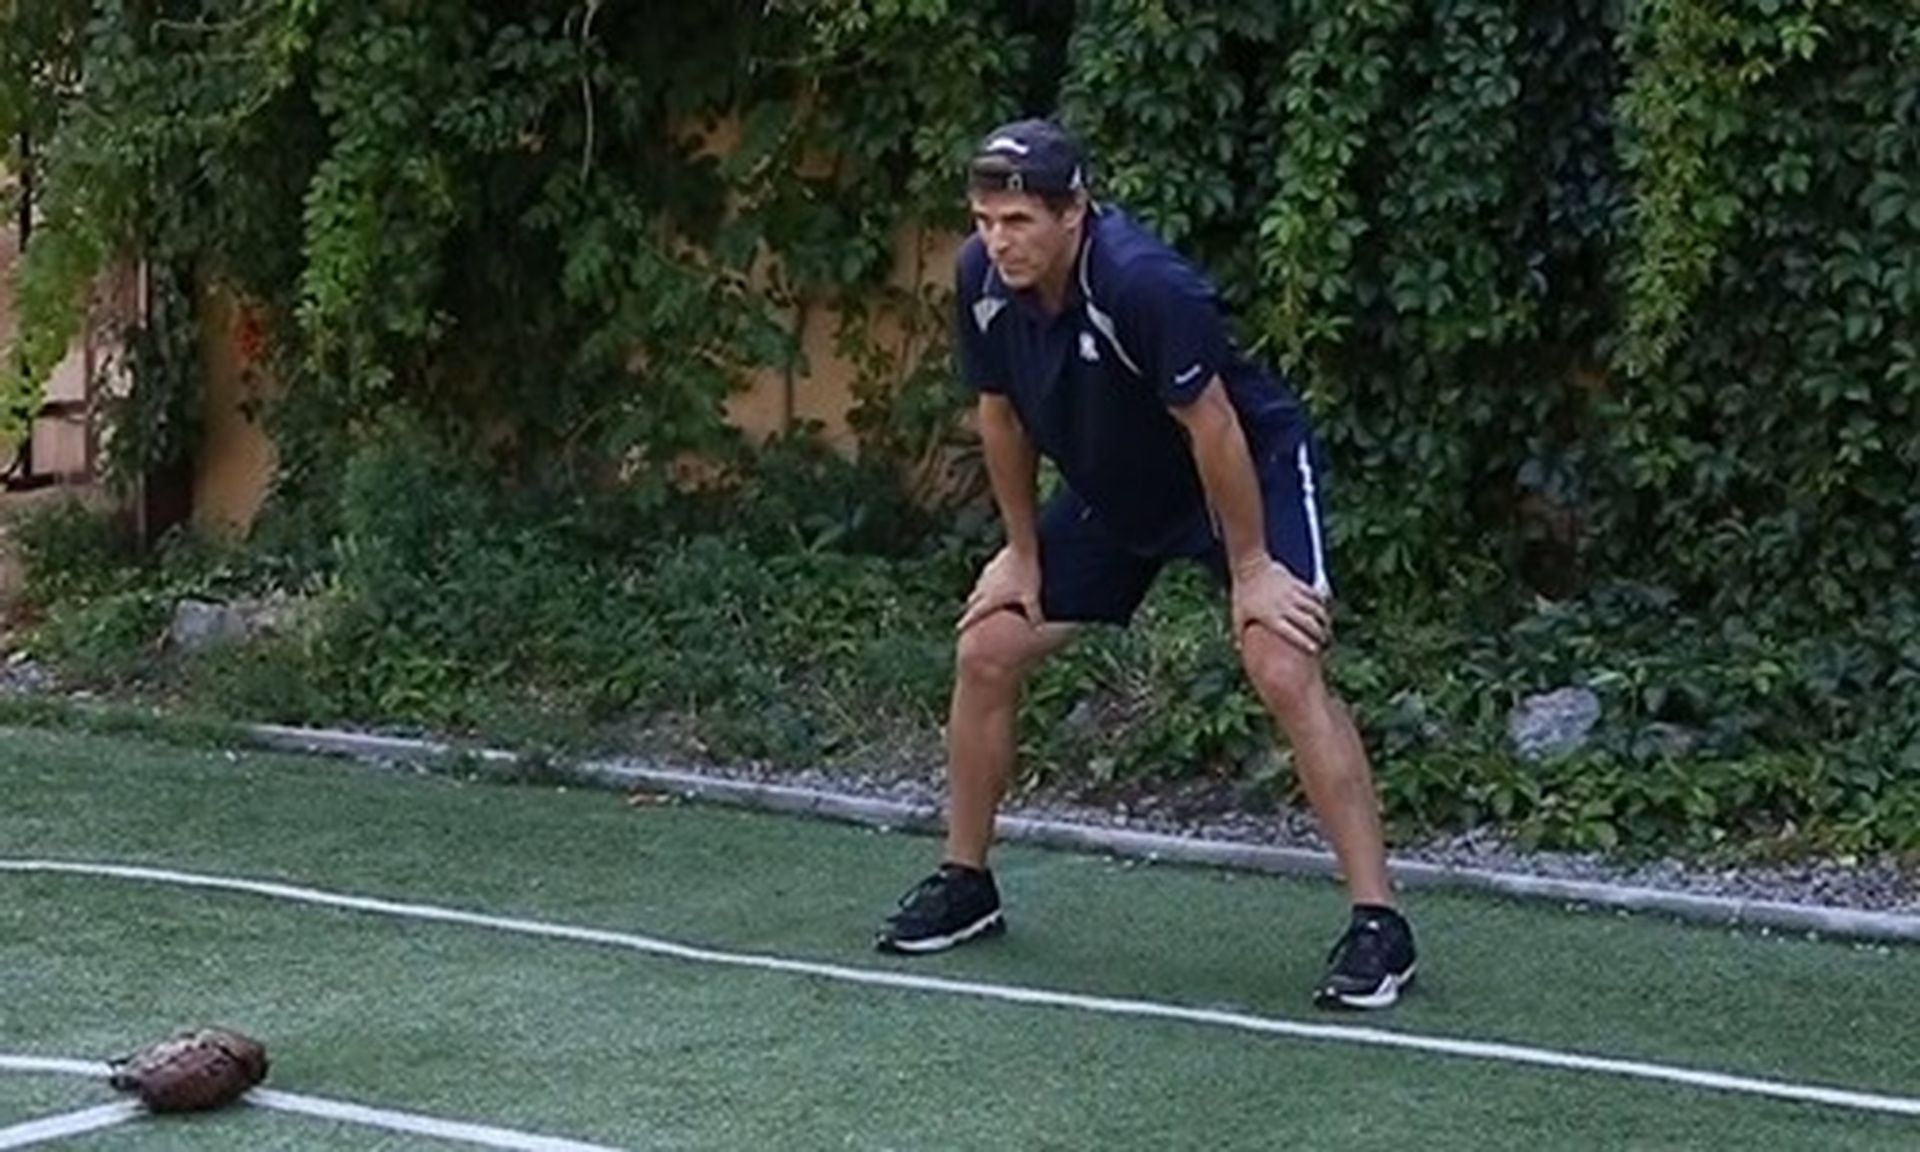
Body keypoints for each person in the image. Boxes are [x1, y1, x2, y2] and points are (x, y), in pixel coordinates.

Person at [872, 118, 1418, 1010]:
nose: (997, 241)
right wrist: (1019, 551)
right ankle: (965, 883)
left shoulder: (1142, 283)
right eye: (983, 220)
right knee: (986, 648)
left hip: (1241, 476)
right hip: (1113, 489)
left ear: (1074, 210)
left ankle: (1378, 925)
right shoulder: (979, 281)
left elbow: (1215, 427)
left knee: (1280, 664)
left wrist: (1250, 570)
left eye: (1018, 223)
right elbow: (1000, 417)